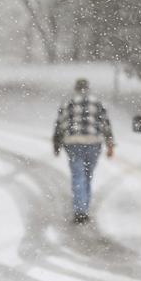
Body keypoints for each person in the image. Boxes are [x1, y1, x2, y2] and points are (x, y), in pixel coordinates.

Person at [52, 78, 115, 224]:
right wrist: (110, 144)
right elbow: (105, 124)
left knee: (77, 175)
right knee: (87, 175)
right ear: (88, 88)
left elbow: (60, 124)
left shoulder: (67, 103)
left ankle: (80, 210)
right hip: (93, 142)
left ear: (75, 88)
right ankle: (84, 207)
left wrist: (56, 144)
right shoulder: (97, 103)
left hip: (73, 142)